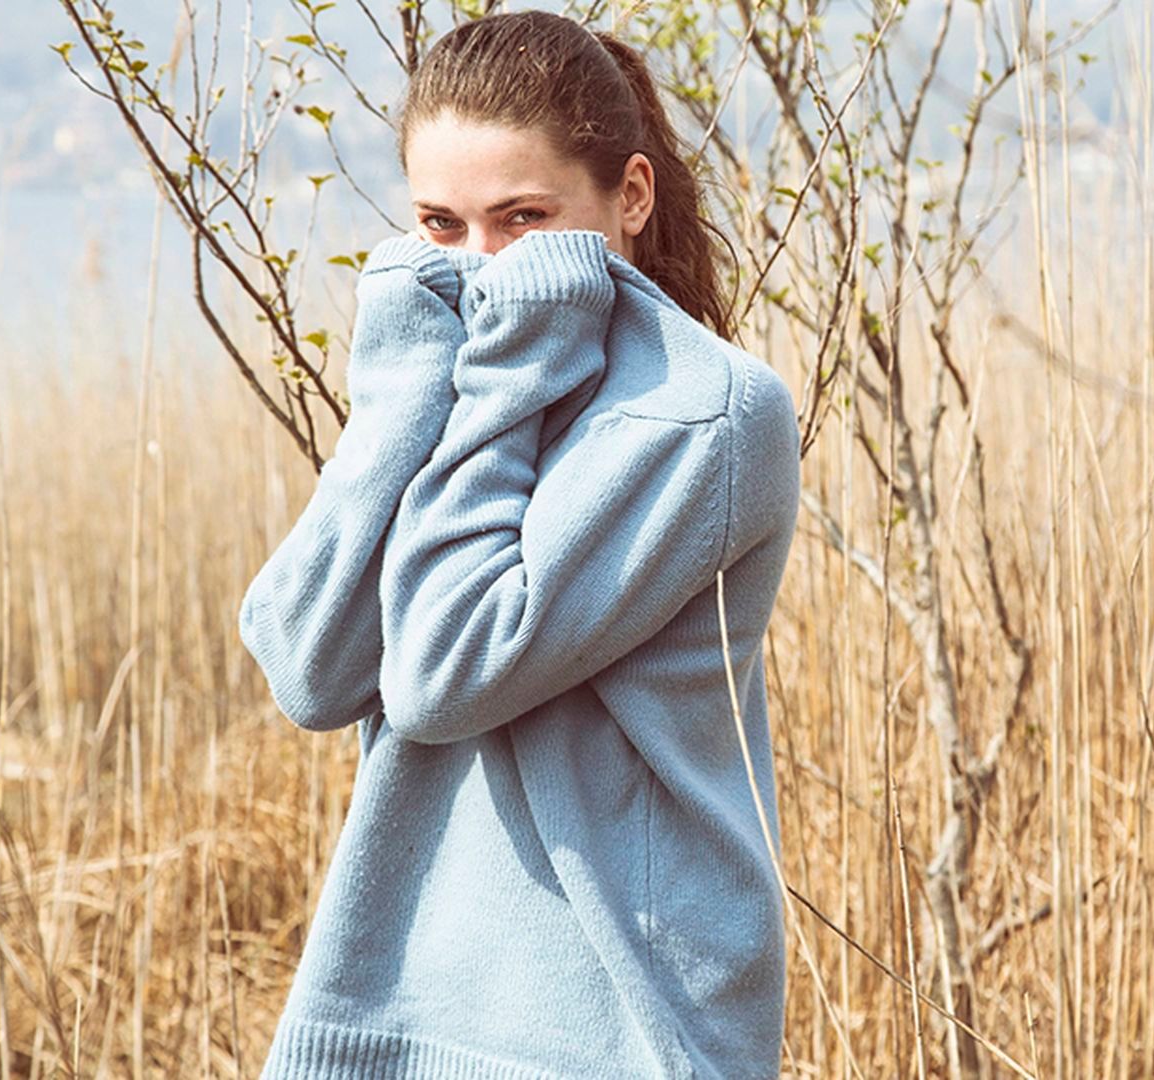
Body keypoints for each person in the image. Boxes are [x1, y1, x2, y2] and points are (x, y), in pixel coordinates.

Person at [236, 11, 800, 1078]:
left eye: (524, 219)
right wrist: (401, 388)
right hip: (400, 1005)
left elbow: (447, 674)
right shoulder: (454, 376)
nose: (483, 270)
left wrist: (492, 381)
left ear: (628, 198)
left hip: (612, 1025)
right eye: (440, 227)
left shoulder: (703, 417)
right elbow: (312, 664)